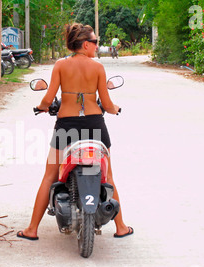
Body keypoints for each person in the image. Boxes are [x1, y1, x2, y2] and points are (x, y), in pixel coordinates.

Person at [17, 23, 133, 241]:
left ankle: (32, 229)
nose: (98, 46)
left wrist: (42, 108)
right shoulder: (97, 68)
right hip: (95, 125)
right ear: (86, 44)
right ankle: (120, 227)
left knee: (50, 175)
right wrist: (115, 109)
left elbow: (48, 99)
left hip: (66, 126)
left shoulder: (60, 65)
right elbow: (107, 104)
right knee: (107, 176)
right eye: (96, 42)